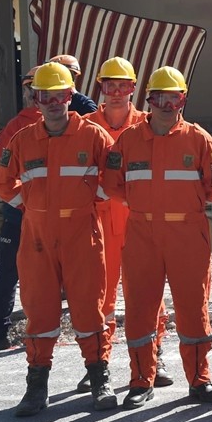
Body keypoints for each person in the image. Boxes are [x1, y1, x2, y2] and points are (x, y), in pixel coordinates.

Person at [0, 62, 116, 415]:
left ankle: (99, 380)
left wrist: (90, 203)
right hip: (37, 237)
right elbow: (2, 182)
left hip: (82, 234)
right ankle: (36, 388)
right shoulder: (23, 138)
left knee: (89, 309)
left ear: (70, 96)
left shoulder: (93, 136)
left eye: (59, 95)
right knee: (39, 311)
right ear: (35, 98)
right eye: (44, 96)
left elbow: (113, 178)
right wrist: (29, 205)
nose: (52, 102)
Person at [102, 66, 212, 408]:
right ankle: (141, 381)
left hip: (188, 233)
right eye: (160, 97)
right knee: (141, 308)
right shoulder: (128, 140)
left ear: (183, 99)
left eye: (174, 97)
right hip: (142, 232)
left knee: (193, 308)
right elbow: (112, 183)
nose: (167, 104)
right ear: (150, 100)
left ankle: (200, 380)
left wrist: (186, 205)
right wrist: (142, 204)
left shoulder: (198, 138)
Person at [82, 57, 160, 392]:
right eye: (109, 86)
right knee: (101, 295)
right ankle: (100, 363)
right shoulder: (84, 126)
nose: (116, 93)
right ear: (101, 88)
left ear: (133, 89)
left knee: (147, 293)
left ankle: (155, 355)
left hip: (139, 219)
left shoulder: (148, 124)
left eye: (123, 86)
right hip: (99, 222)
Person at [0, 66, 41, 351]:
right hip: (32, 213)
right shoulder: (18, 126)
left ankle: (0, 333)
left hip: (21, 212)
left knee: (8, 272)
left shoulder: (15, 126)